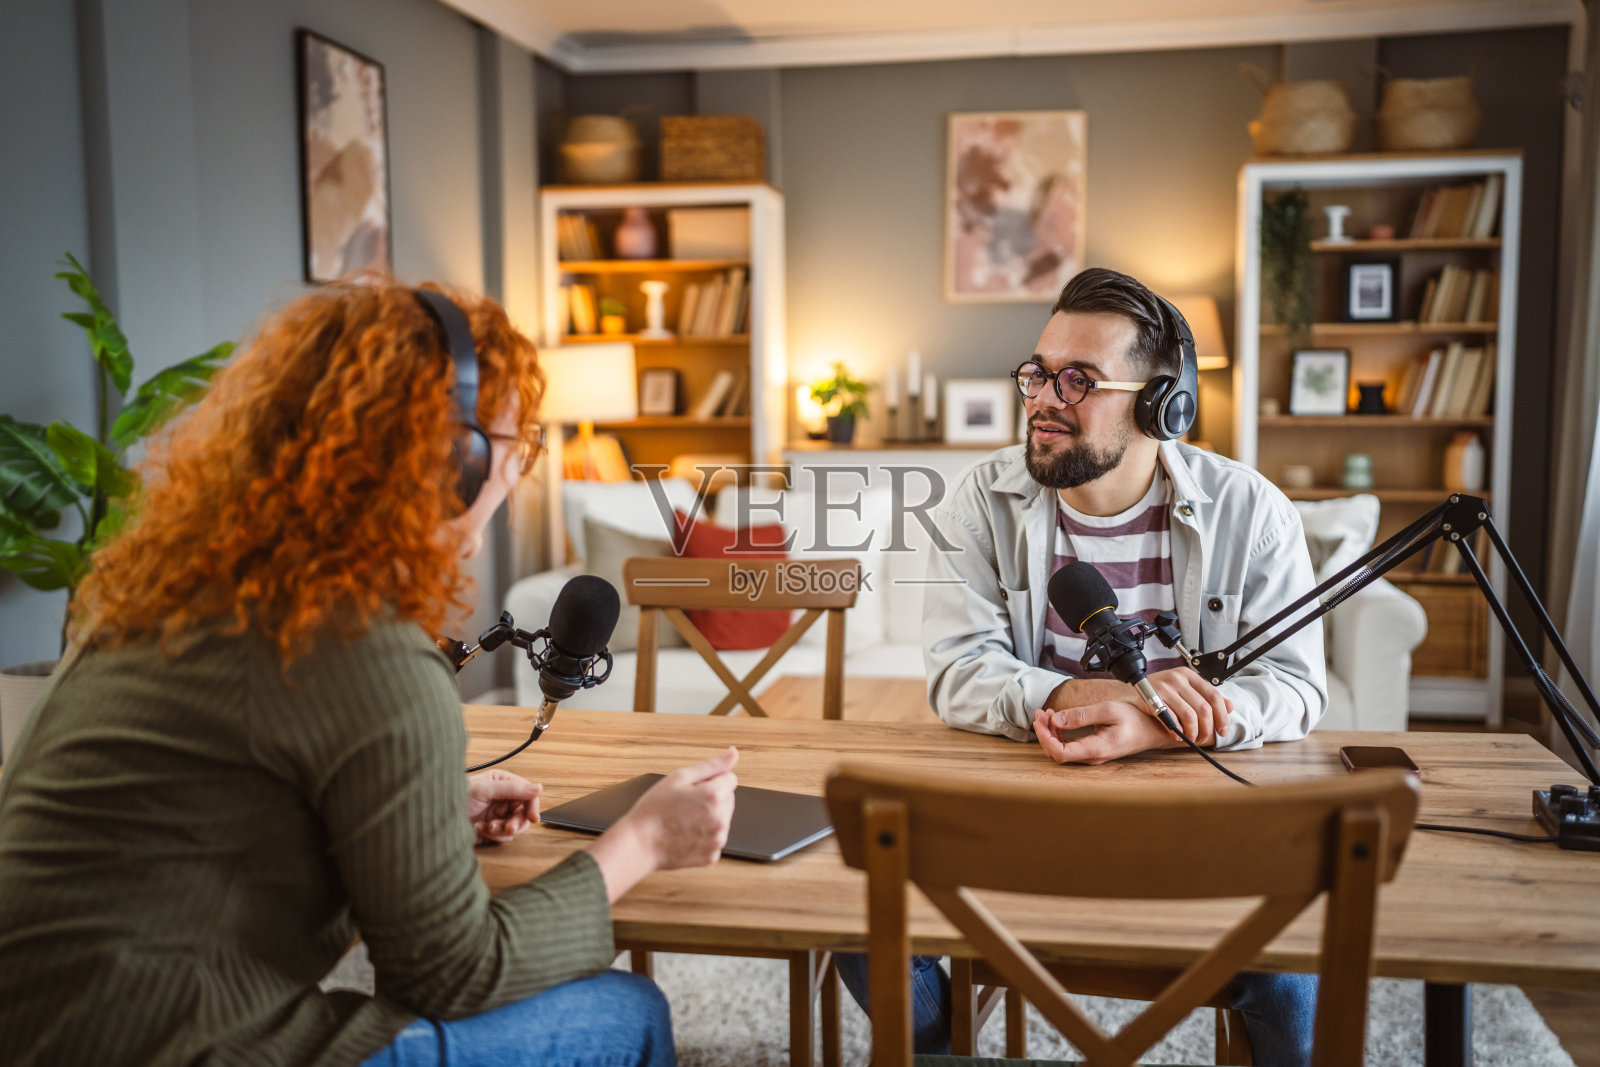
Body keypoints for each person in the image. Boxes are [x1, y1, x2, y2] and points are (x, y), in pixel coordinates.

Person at [0, 281, 737, 1066]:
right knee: (626, 1013)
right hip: (178, 1047)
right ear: (453, 461)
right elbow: (453, 971)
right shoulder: (368, 650)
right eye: (512, 449)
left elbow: (211, 809)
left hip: (39, 1028)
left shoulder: (160, 588)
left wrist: (424, 809)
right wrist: (644, 839)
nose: (516, 477)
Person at [836, 267, 1326, 1062]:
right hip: (1023, 817)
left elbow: (1295, 686)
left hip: (1205, 827)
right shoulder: (978, 501)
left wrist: (1160, 727)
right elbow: (959, 669)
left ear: (1160, 403)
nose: (1042, 397)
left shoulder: (1252, 511)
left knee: (1294, 962)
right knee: (860, 918)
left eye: (1079, 379)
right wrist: (1094, 693)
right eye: (1037, 372)